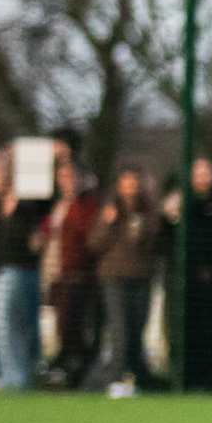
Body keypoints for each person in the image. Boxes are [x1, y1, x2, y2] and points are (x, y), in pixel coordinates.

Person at [0, 149, 48, 391]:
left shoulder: (27, 204)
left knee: (14, 321)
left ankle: (22, 374)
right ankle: (9, 375)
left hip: (16, 268)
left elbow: (32, 237)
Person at [84, 166, 162, 390]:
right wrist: (108, 223)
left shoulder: (149, 212)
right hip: (114, 278)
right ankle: (115, 379)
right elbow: (94, 244)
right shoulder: (109, 211)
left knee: (137, 330)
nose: (130, 188)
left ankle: (136, 377)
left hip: (141, 278)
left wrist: (144, 230)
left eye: (134, 182)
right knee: (119, 332)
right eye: (126, 183)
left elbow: (156, 243)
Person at [163, 158, 212, 392]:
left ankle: (208, 380)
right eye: (198, 172)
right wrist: (169, 217)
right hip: (183, 280)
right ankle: (182, 378)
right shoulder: (180, 203)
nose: (203, 177)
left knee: (207, 329)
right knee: (183, 327)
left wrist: (210, 267)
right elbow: (166, 240)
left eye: (207, 171)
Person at [41, 157, 100, 385]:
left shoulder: (86, 204)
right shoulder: (57, 205)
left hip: (78, 275)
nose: (66, 181)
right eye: (62, 177)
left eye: (70, 177)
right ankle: (66, 368)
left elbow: (89, 237)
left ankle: (77, 373)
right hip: (56, 273)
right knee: (61, 325)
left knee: (72, 325)